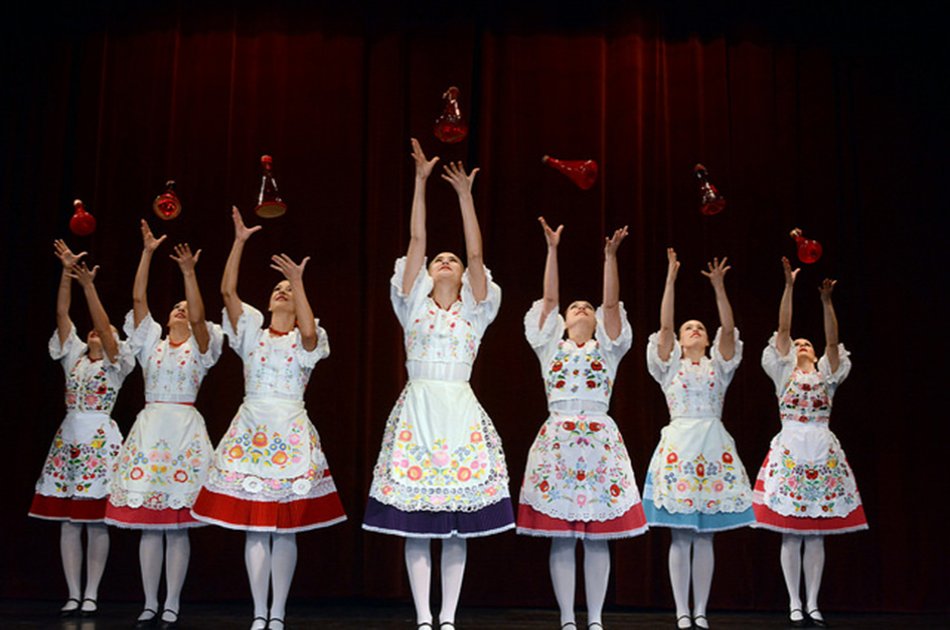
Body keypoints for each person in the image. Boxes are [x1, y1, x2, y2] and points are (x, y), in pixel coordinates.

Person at [363, 139, 514, 630]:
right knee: (416, 519)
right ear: (426, 275)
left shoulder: (476, 309)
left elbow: (476, 254)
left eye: (451, 260)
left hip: (458, 409)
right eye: (437, 260)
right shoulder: (412, 305)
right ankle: (424, 616)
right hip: (419, 407)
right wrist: (420, 182)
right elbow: (416, 240)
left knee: (454, 527)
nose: (445, 261)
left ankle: (448, 616)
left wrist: (466, 196)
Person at [190, 207, 346, 630]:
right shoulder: (252, 334)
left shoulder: (308, 337)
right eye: (277, 287)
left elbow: (309, 333)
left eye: (288, 290)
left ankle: (279, 612)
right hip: (252, 429)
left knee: (286, 528)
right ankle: (260, 611)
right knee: (256, 527)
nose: (281, 291)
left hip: (290, 430)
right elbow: (227, 292)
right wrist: (239, 242)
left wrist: (298, 280)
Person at [517, 217, 648, 630]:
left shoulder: (607, 349)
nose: (582, 309)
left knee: (597, 535)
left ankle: (594, 618)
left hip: (598, 440)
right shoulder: (549, 346)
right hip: (558, 439)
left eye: (587, 307)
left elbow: (610, 305)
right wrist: (552, 250)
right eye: (575, 306)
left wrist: (610, 258)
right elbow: (549, 298)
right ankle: (566, 618)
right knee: (561, 534)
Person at [105, 220, 224, 628]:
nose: (180, 310)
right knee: (149, 527)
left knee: (177, 527)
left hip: (184, 431)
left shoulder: (202, 346)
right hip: (151, 427)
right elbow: (138, 298)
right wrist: (147, 253)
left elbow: (201, 318)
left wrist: (189, 274)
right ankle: (149, 600)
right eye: (175, 306)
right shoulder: (150, 344)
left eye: (184, 307)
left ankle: (172, 600)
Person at [753, 258, 868, 628]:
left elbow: (833, 341)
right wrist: (789, 287)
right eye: (797, 343)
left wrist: (826, 302)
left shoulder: (827, 376)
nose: (801, 345)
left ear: (815, 355)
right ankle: (794, 601)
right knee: (790, 531)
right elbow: (784, 329)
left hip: (821, 450)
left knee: (816, 532)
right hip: (790, 448)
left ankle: (813, 602)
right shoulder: (782, 372)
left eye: (807, 343)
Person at [643, 248, 754, 630]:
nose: (694, 330)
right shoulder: (669, 365)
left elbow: (728, 331)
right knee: (681, 535)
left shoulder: (718, 367)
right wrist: (670, 281)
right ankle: (681, 611)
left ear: (707, 341)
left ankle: (701, 610)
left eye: (700, 328)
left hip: (712, 445)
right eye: (689, 327)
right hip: (679, 446)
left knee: (706, 534)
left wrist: (719, 289)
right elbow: (665, 328)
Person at [29, 241, 134, 617]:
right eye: (91, 330)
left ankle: (92, 592)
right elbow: (62, 313)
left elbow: (105, 328)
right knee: (69, 521)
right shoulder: (73, 356)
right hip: (70, 440)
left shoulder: (117, 364)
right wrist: (66, 272)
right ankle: (73, 593)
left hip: (99, 441)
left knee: (96, 520)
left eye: (102, 332)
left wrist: (90, 288)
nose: (95, 332)